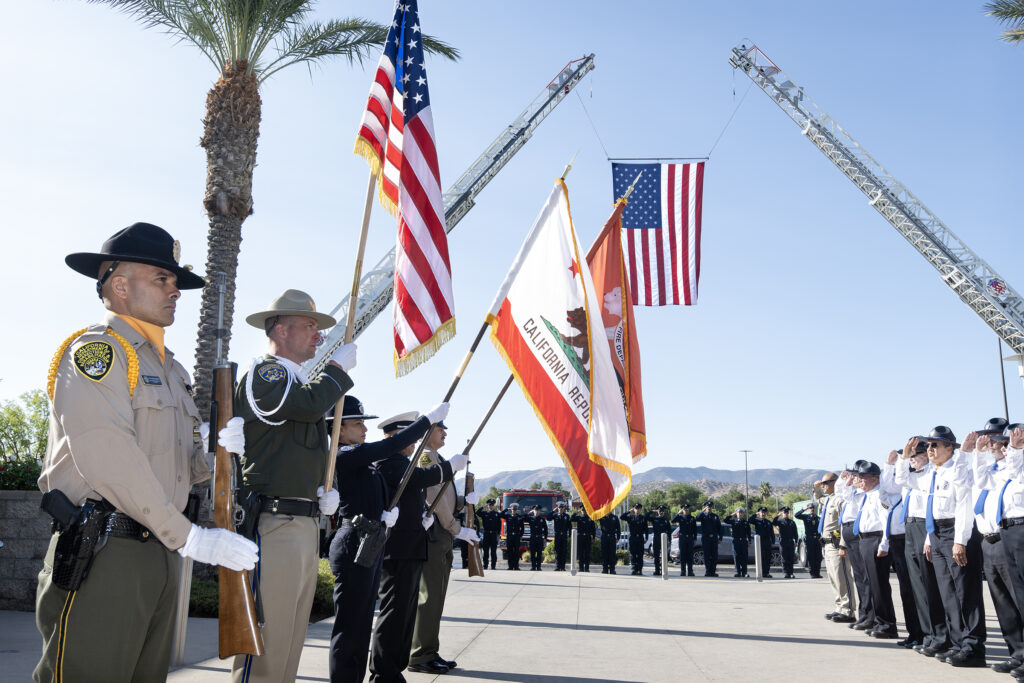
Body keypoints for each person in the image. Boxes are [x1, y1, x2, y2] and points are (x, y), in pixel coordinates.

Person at [36, 223, 258, 683]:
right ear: (119, 285)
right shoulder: (99, 352)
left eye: (175, 282)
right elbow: (108, 456)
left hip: (160, 551)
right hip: (105, 552)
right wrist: (190, 537)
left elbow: (174, 466)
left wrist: (214, 454)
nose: (175, 290)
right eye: (163, 279)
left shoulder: (170, 368)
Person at [233, 288, 357, 683]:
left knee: (290, 640)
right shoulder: (268, 374)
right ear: (280, 329)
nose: (319, 336)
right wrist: (336, 372)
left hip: (300, 521)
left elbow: (302, 436)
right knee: (268, 641)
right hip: (274, 523)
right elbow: (306, 406)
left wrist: (320, 490)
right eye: (309, 326)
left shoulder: (297, 381)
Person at [368, 410, 467, 683]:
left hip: (412, 544)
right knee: (397, 611)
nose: (414, 443)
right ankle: (393, 667)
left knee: (406, 611)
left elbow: (423, 493)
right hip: (401, 547)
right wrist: (449, 469)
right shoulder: (396, 463)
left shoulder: (404, 462)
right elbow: (423, 482)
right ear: (395, 437)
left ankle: (398, 666)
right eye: (409, 437)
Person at [325, 395, 404, 683]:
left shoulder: (364, 462)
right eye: (357, 423)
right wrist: (424, 423)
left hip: (370, 540)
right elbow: (389, 445)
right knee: (349, 628)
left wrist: (385, 515)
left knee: (360, 627)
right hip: (352, 543)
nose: (364, 429)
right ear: (339, 429)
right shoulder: (343, 455)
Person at [897, 427, 985, 667]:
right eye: (928, 446)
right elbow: (903, 480)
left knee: (966, 592)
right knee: (947, 592)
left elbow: (964, 507)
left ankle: (974, 647)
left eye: (935, 445)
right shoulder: (930, 474)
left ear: (950, 448)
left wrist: (960, 540)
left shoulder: (958, 471)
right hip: (936, 533)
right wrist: (904, 458)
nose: (930, 449)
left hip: (955, 532)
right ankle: (958, 644)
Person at [409, 423, 480, 675]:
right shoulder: (427, 457)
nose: (445, 434)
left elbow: (445, 499)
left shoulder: (436, 458)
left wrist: (463, 501)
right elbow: (432, 498)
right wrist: (456, 528)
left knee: (436, 596)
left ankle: (428, 649)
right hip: (435, 533)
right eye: (441, 430)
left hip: (442, 533)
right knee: (429, 597)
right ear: (428, 434)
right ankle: (419, 654)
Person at [968, 420, 1024, 675]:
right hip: (993, 537)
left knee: (1019, 596)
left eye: (994, 439)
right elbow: (981, 481)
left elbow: (1016, 472)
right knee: (1003, 601)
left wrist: (1014, 449)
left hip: (1013, 534)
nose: (990, 443)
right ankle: (1017, 653)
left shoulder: (1014, 464)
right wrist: (979, 455)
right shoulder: (996, 468)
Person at [879, 449, 925, 649]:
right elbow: (886, 487)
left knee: (920, 590)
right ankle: (914, 632)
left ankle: (925, 633)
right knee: (906, 590)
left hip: (915, 535)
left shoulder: (919, 481)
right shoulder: (899, 492)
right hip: (900, 541)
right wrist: (889, 466)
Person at [849, 461, 900, 638]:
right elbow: (846, 497)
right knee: (871, 584)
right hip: (864, 539)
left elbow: (887, 520)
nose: (859, 480)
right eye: (859, 477)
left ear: (875, 478)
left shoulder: (880, 495)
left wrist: (884, 543)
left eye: (862, 477)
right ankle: (879, 621)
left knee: (879, 585)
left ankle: (887, 625)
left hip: (876, 539)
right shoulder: (865, 495)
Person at [814, 474, 856, 622]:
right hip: (826, 544)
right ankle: (839, 607)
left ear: (835, 482)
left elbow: (844, 524)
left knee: (842, 577)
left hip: (836, 543)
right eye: (822, 483)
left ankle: (848, 609)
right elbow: (818, 498)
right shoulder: (829, 499)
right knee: (833, 578)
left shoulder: (840, 499)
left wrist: (843, 545)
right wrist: (816, 487)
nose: (823, 485)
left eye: (826, 483)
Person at [836, 464, 872, 630]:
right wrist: (843, 480)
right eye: (853, 475)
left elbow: (846, 494)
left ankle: (869, 616)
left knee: (865, 579)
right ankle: (864, 614)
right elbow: (840, 493)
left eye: (857, 476)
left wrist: (848, 482)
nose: (854, 479)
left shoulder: (863, 494)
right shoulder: (854, 493)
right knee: (858, 578)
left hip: (859, 535)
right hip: (850, 534)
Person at [794, 503, 823, 578]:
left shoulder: (818, 518)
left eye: (813, 508)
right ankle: (812, 573)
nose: (812, 509)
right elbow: (796, 515)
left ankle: (817, 573)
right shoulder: (806, 517)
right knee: (811, 556)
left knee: (818, 557)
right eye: (810, 508)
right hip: (809, 539)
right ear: (808, 509)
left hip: (817, 539)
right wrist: (804, 509)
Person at [622, 503, 648, 575]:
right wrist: (629, 511)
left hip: (640, 538)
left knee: (640, 554)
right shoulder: (630, 517)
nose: (637, 510)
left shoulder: (643, 518)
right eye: (636, 508)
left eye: (639, 508)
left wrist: (646, 537)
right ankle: (634, 569)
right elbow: (622, 517)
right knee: (633, 554)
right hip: (632, 537)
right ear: (634, 509)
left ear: (641, 509)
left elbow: (646, 529)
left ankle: (639, 569)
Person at [696, 501, 721, 577]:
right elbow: (697, 518)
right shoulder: (703, 516)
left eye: (710, 507)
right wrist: (702, 511)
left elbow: (719, 528)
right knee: (707, 556)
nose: (709, 508)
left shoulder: (715, 516)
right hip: (706, 538)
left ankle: (713, 571)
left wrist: (720, 537)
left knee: (714, 556)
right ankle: (707, 571)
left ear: (712, 507)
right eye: (707, 507)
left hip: (714, 538)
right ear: (705, 508)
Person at [749, 507, 775, 579]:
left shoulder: (768, 522)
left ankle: (766, 573)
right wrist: (755, 514)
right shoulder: (756, 520)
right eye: (761, 512)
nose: (763, 514)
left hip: (767, 542)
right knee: (761, 558)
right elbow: (749, 520)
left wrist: (773, 541)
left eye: (764, 512)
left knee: (767, 558)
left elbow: (772, 533)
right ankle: (760, 573)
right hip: (759, 542)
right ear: (759, 513)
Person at [672, 504, 697, 577]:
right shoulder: (680, 517)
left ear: (688, 510)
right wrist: (678, 513)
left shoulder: (692, 518)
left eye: (687, 509)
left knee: (690, 555)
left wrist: (695, 538)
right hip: (682, 538)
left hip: (690, 538)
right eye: (684, 509)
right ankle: (683, 571)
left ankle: (690, 571)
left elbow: (695, 529)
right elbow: (673, 520)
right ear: (682, 510)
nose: (686, 510)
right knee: (683, 555)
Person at [476, 499, 502, 570]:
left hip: (494, 534)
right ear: (488, 506)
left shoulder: (496, 514)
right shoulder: (484, 513)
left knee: (493, 551)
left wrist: (498, 535)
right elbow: (477, 513)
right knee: (486, 551)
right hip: (486, 534)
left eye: (492, 505)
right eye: (489, 505)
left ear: (493, 506)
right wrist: (483, 507)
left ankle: (493, 566)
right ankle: (485, 565)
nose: (491, 506)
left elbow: (499, 526)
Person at [773, 507, 799, 578]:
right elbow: (774, 522)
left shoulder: (792, 522)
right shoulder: (780, 521)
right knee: (784, 558)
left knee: (790, 558)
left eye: (787, 513)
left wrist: (796, 541)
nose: (786, 514)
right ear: (782, 513)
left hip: (790, 542)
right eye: (785, 513)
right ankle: (786, 573)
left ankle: (791, 573)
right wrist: (778, 515)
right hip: (783, 542)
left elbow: (795, 533)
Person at [571, 501, 595, 572]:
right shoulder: (578, 517)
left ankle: (587, 568)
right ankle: (581, 568)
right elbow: (571, 519)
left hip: (587, 537)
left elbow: (593, 529)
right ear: (581, 511)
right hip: (580, 537)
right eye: (582, 510)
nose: (583, 511)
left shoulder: (590, 518)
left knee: (587, 553)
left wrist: (593, 537)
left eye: (584, 510)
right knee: (580, 553)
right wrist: (576, 512)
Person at [648, 505, 672, 576]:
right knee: (656, 556)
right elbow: (646, 516)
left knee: (664, 556)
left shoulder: (666, 520)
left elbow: (669, 531)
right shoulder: (655, 519)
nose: (661, 512)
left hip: (664, 540)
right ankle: (657, 570)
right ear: (658, 511)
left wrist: (669, 541)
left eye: (662, 511)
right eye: (660, 511)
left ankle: (664, 570)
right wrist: (652, 511)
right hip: (656, 539)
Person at [549, 501, 571, 571]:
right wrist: (553, 511)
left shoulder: (566, 516)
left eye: (562, 508)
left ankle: (563, 567)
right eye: (559, 508)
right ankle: (557, 566)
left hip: (564, 536)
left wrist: (569, 536)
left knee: (563, 551)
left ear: (564, 508)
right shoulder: (555, 515)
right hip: (557, 535)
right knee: (557, 551)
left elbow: (569, 526)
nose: (560, 509)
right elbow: (548, 518)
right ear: (557, 508)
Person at [729, 508, 751, 578]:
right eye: (738, 512)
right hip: (736, 541)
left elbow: (749, 533)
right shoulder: (733, 521)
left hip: (744, 541)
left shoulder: (745, 522)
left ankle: (744, 572)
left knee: (744, 557)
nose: (740, 514)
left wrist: (749, 541)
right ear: (736, 513)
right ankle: (737, 572)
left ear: (743, 514)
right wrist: (732, 514)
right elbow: (725, 520)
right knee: (736, 557)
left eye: (741, 513)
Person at [502, 503, 524, 570]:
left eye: (515, 509)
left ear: (516, 510)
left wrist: (520, 535)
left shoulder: (519, 517)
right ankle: (510, 566)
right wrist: (506, 509)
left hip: (516, 536)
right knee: (509, 551)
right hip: (510, 536)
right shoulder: (508, 516)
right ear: (511, 510)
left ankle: (516, 566)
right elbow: (500, 515)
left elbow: (522, 528)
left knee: (516, 552)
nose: (514, 511)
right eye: (512, 509)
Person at [527, 506, 548, 570]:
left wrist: (545, 538)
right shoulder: (530, 518)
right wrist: (528, 513)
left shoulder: (542, 519)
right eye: (535, 510)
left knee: (539, 553)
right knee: (532, 553)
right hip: (533, 537)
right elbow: (523, 517)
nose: (537, 512)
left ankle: (539, 567)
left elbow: (545, 529)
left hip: (539, 538)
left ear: (539, 511)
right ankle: (533, 567)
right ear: (533, 511)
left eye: (538, 510)